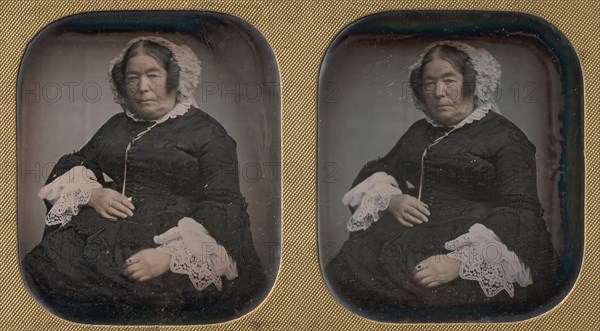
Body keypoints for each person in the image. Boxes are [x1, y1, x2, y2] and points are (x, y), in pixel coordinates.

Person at [22, 36, 266, 324]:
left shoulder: (208, 133)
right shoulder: (116, 125)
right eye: (133, 77)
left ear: (175, 78)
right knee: (43, 271)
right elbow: (79, 162)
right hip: (106, 234)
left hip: (172, 240)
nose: (142, 87)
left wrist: (171, 257)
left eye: (152, 75)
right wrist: (94, 195)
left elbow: (223, 207)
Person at [325, 41, 560, 321]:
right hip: (402, 238)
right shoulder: (419, 132)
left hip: (470, 247)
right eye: (429, 84)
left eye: (449, 81)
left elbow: (522, 212)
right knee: (345, 277)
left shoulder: (505, 138)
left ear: (472, 83)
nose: (438, 93)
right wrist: (391, 199)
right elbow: (381, 167)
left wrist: (459, 263)